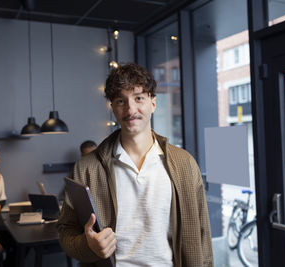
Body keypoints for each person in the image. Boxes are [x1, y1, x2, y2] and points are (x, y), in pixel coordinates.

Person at [58, 63, 213, 266]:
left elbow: (203, 235)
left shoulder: (185, 163)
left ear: (153, 103)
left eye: (139, 98)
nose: (131, 109)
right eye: (121, 101)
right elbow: (66, 231)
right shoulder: (87, 168)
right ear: (113, 108)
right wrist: (89, 246)